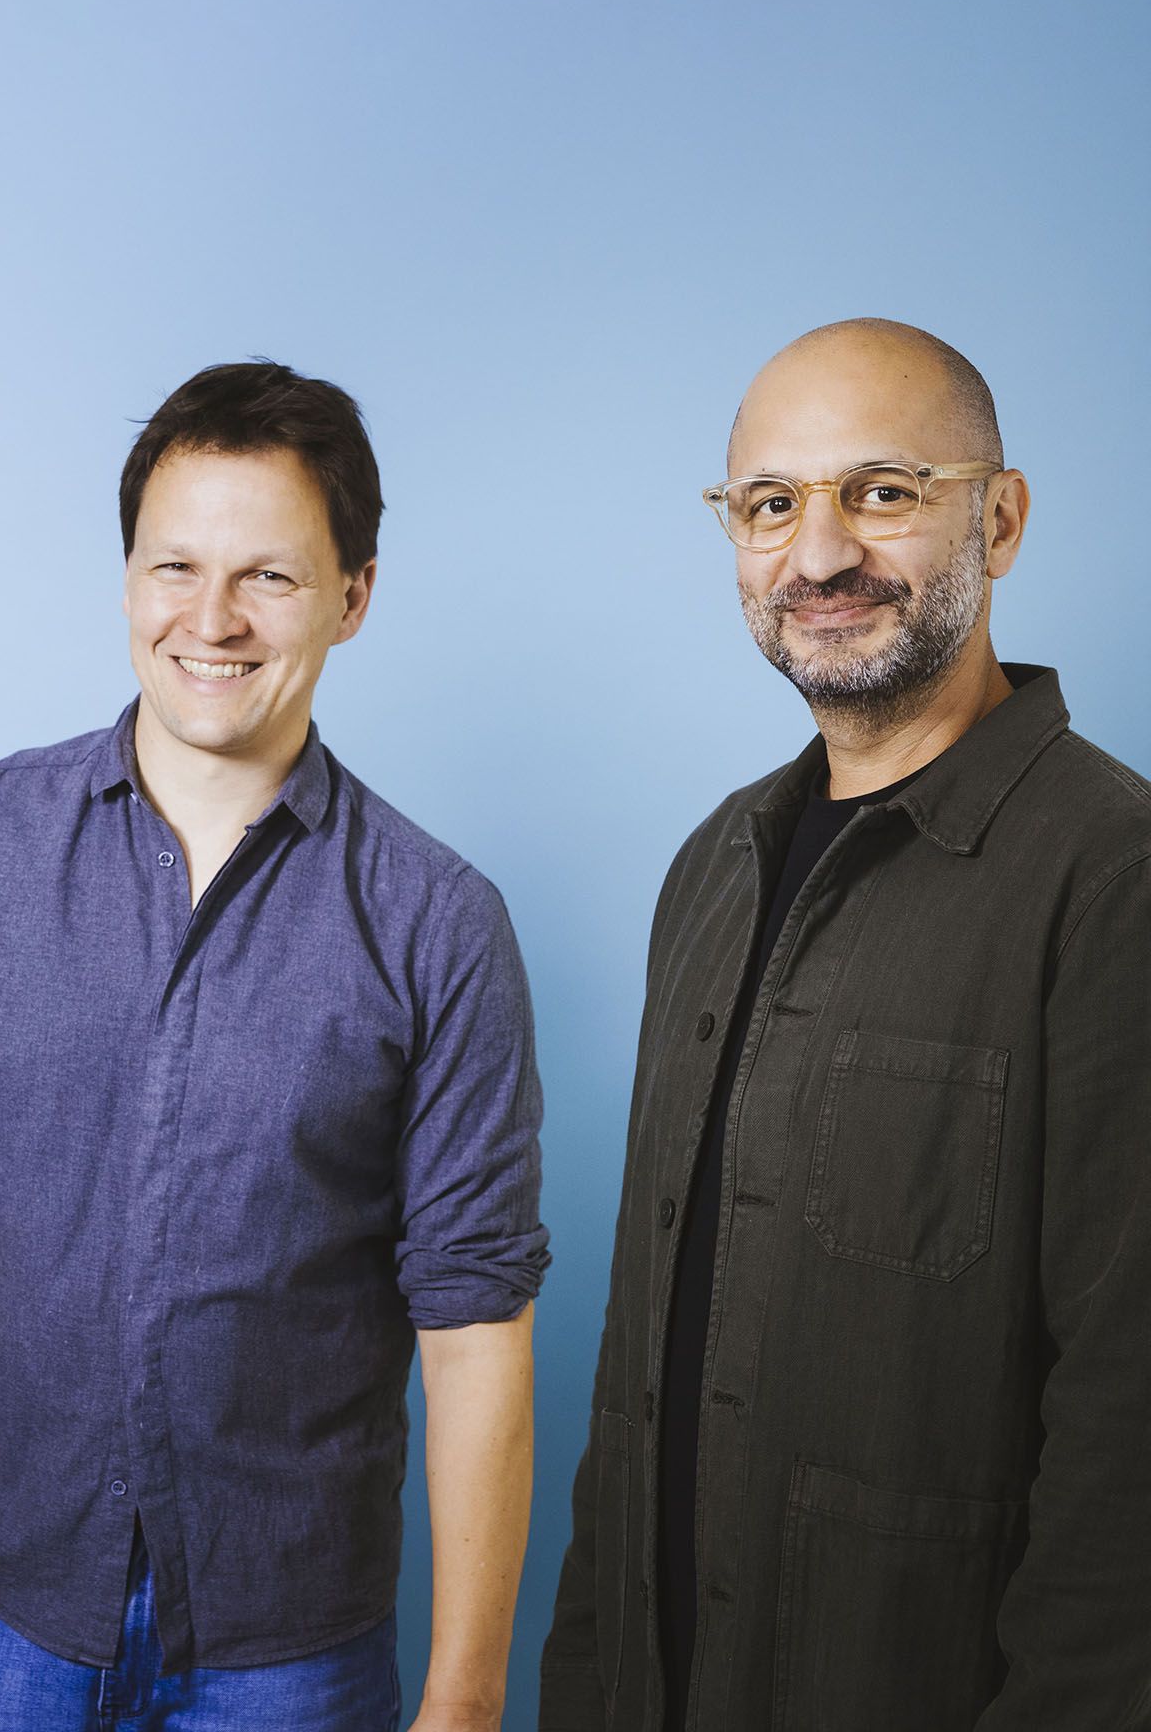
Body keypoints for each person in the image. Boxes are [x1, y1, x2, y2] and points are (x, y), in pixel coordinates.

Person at [0, 362, 549, 1732]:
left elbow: (477, 1321)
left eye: (268, 576)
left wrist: (467, 1697)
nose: (211, 619)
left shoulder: (441, 924)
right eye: (174, 566)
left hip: (290, 1657)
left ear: (352, 596)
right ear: (128, 577)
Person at [539, 319, 1151, 1731]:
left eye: (881, 491)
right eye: (770, 505)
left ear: (997, 517)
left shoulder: (1112, 882)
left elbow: (1129, 1434)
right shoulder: (709, 868)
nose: (816, 556)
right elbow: (634, 1379)